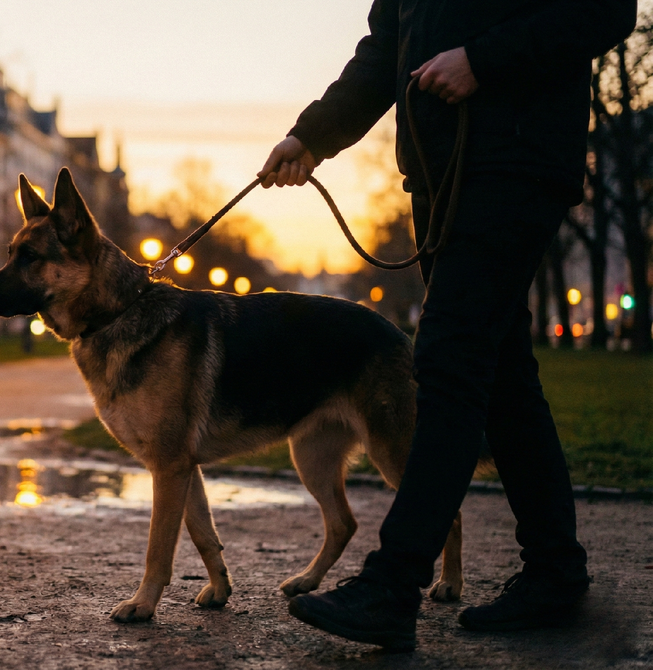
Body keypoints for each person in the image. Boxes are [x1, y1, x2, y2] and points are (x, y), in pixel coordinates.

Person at [257, 0, 637, 651]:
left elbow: (604, 9)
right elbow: (387, 48)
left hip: (511, 158)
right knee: (505, 375)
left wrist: (481, 61)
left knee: (447, 362)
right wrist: (313, 137)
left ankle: (392, 584)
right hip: (440, 174)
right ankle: (554, 570)